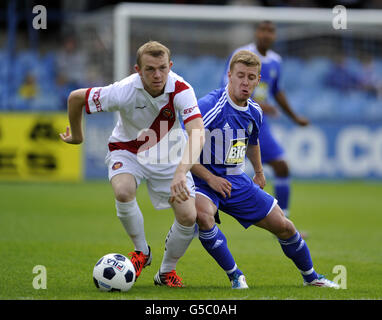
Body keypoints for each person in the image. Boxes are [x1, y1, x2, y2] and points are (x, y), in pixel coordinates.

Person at [60, 41, 205, 287]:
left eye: (162, 68)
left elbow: (198, 132)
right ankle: (141, 252)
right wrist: (77, 135)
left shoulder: (181, 89)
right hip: (127, 150)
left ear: (170, 66)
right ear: (137, 70)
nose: (157, 75)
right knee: (123, 191)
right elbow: (75, 98)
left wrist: (181, 171)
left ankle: (166, 271)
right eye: (150, 69)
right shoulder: (123, 90)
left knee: (189, 216)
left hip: (168, 157)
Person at [192, 49, 339, 289]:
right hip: (201, 179)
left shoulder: (255, 111)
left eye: (251, 77)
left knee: (284, 225)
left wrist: (259, 172)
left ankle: (311, 277)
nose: (245, 82)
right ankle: (236, 276)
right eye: (240, 75)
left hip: (235, 179)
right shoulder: (209, 106)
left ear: (258, 81)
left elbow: (253, 141)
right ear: (229, 75)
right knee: (203, 215)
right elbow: (183, 152)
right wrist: (210, 178)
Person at [222, 20, 309, 221]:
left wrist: (295, 118)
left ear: (274, 36)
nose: (266, 35)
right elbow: (228, 86)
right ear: (256, 32)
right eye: (263, 30)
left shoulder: (276, 61)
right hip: (235, 121)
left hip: (257, 123)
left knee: (281, 166)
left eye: (271, 31)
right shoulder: (241, 55)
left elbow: (276, 91)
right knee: (223, 171)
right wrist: (257, 103)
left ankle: (284, 220)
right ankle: (199, 219)